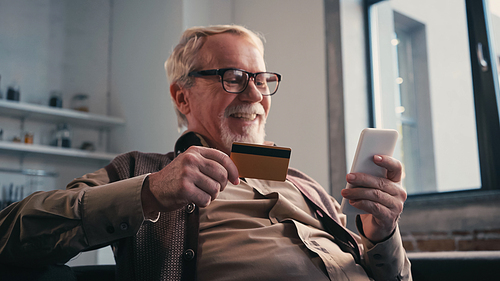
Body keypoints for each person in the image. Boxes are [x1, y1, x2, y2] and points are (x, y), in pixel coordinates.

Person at [0, 24, 411, 281]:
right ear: (182, 97)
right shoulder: (140, 170)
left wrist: (381, 235)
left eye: (262, 80)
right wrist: (149, 192)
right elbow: (10, 232)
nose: (255, 94)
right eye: (234, 78)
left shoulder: (305, 185)